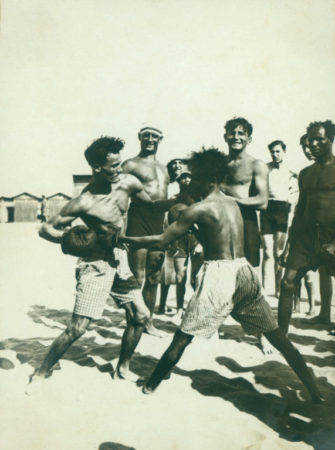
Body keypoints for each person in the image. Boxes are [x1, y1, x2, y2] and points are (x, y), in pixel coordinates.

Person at [120, 148, 324, 403]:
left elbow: (161, 241)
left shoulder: (200, 209)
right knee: (278, 338)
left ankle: (150, 385)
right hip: (244, 271)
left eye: (194, 177)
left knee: (182, 337)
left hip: (219, 275)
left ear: (208, 179)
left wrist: (124, 238)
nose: (190, 181)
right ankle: (314, 391)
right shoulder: (232, 203)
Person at [30, 136, 155, 385]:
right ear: (97, 168)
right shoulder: (84, 201)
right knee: (78, 328)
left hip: (120, 260)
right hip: (95, 264)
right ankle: (40, 373)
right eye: (113, 166)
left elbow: (150, 205)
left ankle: (122, 368)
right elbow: (46, 230)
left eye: (120, 164)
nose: (119, 170)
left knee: (140, 316)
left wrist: (176, 206)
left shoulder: (128, 182)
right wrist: (78, 242)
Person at [278, 121, 335, 335]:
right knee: (287, 282)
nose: (314, 143)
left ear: (331, 139)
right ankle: (281, 336)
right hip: (306, 237)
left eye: (320, 138)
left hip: (332, 235)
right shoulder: (305, 173)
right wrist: (288, 246)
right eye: (311, 139)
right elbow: (300, 212)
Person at [221, 117, 269, 351]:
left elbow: (262, 201)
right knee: (217, 274)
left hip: (246, 223)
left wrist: (233, 202)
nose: (237, 137)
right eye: (233, 133)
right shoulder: (218, 164)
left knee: (251, 280)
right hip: (221, 226)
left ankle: (262, 334)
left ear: (249, 138)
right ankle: (213, 324)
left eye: (242, 133)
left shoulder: (256, 164)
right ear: (225, 136)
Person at [122, 124, 170, 337]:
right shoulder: (130, 164)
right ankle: (133, 322)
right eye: (146, 135)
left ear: (161, 139)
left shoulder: (164, 167)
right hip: (138, 217)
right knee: (137, 276)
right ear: (139, 137)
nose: (150, 139)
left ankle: (148, 322)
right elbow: (119, 194)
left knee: (154, 276)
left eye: (155, 136)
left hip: (159, 220)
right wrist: (121, 229)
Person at [158, 163, 203, 318]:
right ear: (178, 180)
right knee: (179, 277)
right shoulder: (175, 197)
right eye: (182, 178)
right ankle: (179, 309)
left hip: (196, 238)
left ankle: (197, 309)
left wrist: (202, 243)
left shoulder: (200, 197)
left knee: (195, 278)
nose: (186, 180)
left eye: (188, 177)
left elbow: (204, 221)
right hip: (178, 239)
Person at [260, 140, 298, 298]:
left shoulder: (291, 170)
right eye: (272, 152)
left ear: (284, 151)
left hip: (282, 210)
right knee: (267, 253)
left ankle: (278, 289)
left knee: (278, 252)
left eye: (278, 151)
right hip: (267, 210)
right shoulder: (266, 168)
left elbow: (296, 190)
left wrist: (292, 201)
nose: (275, 155)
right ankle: (262, 290)